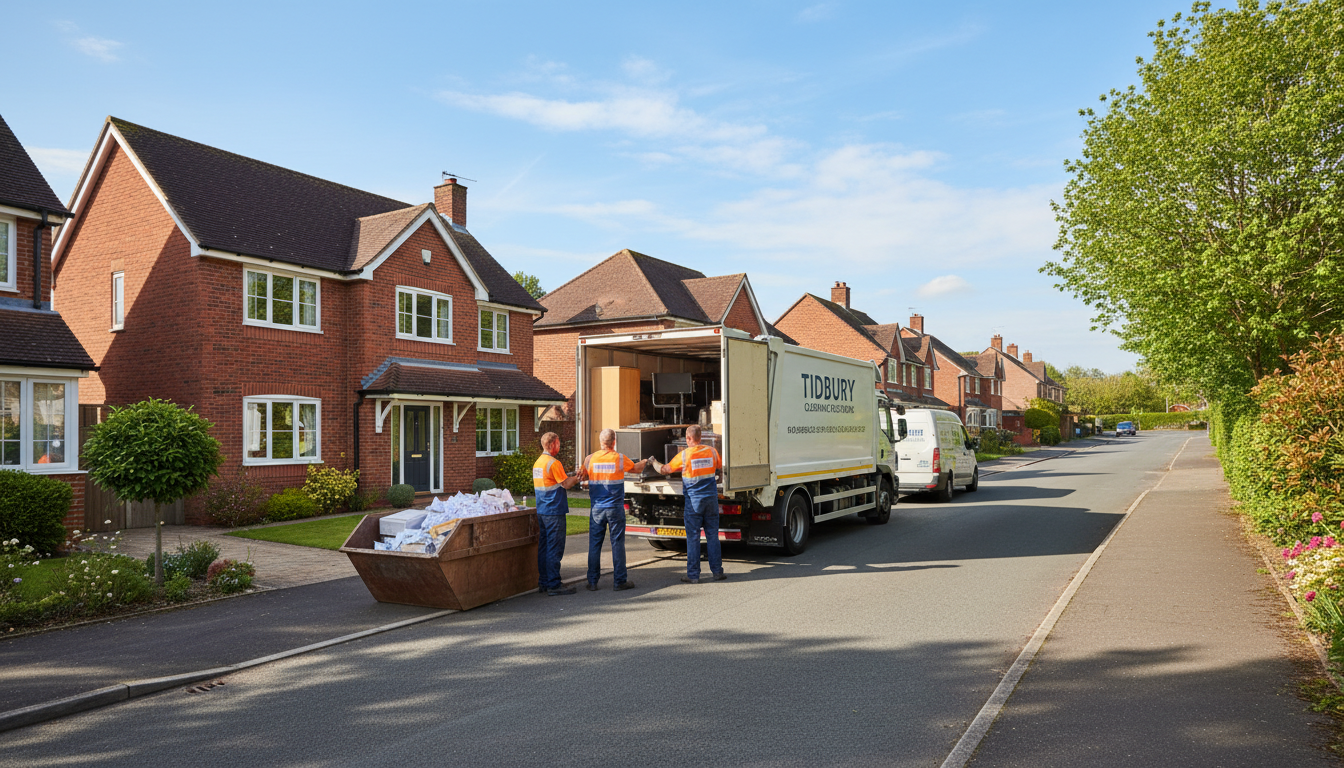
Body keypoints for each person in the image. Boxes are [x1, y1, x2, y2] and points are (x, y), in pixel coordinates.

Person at [652, 424, 726, 584]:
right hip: (711, 500)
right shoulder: (712, 451)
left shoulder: (684, 455)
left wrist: (653, 462)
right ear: (701, 437)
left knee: (693, 538)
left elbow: (665, 470)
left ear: (688, 438)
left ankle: (693, 575)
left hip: (694, 502)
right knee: (712, 535)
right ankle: (717, 572)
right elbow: (719, 466)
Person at [581, 429, 649, 592]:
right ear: (614, 441)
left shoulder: (589, 459)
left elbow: (582, 476)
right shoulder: (619, 458)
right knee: (617, 543)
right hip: (614, 508)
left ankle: (592, 581)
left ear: (600, 441)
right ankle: (619, 581)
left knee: (594, 544)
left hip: (597, 508)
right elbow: (637, 469)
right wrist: (646, 460)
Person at [533, 432, 584, 596]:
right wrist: (578, 477)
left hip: (542, 510)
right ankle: (554, 585)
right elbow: (566, 484)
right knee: (555, 548)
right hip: (554, 511)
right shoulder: (553, 463)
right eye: (559, 443)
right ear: (552, 444)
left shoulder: (538, 463)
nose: (559, 446)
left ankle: (544, 582)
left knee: (544, 547)